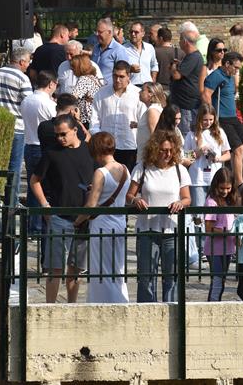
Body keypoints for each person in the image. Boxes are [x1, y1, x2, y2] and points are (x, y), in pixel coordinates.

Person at [29, 114, 94, 303]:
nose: (59, 138)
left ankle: (72, 307)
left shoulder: (89, 151)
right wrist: (45, 206)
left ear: (75, 131)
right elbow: (34, 180)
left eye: (63, 134)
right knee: (54, 268)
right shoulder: (52, 152)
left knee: (75, 269)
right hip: (58, 215)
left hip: (83, 218)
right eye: (57, 134)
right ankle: (50, 307)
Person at [126, 129, 192, 302]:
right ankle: (147, 312)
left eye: (170, 150)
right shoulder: (142, 168)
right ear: (155, 149)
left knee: (172, 277)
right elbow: (129, 195)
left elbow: (187, 198)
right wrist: (136, 200)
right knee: (146, 277)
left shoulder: (179, 170)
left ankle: (172, 311)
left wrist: (180, 203)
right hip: (147, 229)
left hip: (171, 229)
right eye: (163, 150)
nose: (167, 154)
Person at [74, 132, 130, 303]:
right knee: (117, 268)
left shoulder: (101, 172)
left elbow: (91, 205)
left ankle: (102, 303)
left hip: (102, 225)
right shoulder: (125, 169)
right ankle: (120, 302)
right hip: (119, 223)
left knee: (101, 269)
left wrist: (78, 221)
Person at [204, 51, 243, 186]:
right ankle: (239, 184)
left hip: (233, 117)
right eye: (236, 67)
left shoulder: (230, 77)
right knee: (238, 149)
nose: (237, 70)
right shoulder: (216, 76)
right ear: (227, 64)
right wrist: (211, 116)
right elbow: (206, 94)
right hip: (222, 118)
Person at [0, 47, 32, 201]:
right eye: (28, 62)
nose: (29, 65)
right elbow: (29, 103)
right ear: (21, 62)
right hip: (16, 127)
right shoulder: (22, 78)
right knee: (14, 167)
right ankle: (11, 203)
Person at [90, 61, 146, 171]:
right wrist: (99, 139)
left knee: (127, 178)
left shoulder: (137, 94)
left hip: (129, 146)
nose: (117, 80)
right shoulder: (101, 93)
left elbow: (143, 121)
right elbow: (94, 119)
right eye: (115, 76)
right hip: (106, 147)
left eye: (121, 76)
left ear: (128, 76)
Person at [20, 71, 57, 237]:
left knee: (32, 186)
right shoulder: (48, 103)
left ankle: (32, 225)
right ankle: (37, 226)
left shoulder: (27, 100)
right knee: (42, 188)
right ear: (51, 84)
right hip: (41, 147)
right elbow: (56, 123)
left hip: (29, 145)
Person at [184, 103, 231, 207]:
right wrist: (198, 152)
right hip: (197, 179)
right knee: (199, 210)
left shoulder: (219, 132)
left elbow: (227, 154)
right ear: (199, 118)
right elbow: (185, 159)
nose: (208, 123)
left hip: (215, 177)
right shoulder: (191, 134)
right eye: (205, 120)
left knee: (214, 210)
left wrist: (218, 158)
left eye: (211, 119)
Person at [202, 167, 238, 301]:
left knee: (221, 280)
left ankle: (216, 303)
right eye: (222, 188)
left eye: (228, 188)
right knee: (217, 281)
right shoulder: (211, 202)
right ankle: (212, 304)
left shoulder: (229, 200)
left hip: (227, 248)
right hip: (215, 249)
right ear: (216, 185)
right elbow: (209, 228)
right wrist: (227, 232)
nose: (225, 191)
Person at [170, 26, 203, 136]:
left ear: (185, 42)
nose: (179, 42)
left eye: (180, 39)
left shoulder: (193, 57)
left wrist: (173, 66)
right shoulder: (190, 57)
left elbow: (177, 75)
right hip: (184, 103)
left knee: (185, 135)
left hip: (187, 105)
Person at [91, 18, 131, 86]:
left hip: (110, 90)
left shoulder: (119, 50)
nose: (97, 34)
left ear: (109, 32)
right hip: (94, 89)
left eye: (100, 32)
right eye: (96, 31)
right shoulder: (95, 48)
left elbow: (123, 73)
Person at [69, 54, 104, 130]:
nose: (71, 69)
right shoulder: (94, 78)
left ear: (80, 67)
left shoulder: (84, 79)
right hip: (95, 117)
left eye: (73, 66)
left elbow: (72, 98)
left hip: (86, 119)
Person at [135, 82, 167, 159]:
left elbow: (155, 135)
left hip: (149, 157)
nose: (139, 92)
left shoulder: (152, 110)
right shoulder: (154, 109)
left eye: (142, 90)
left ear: (150, 93)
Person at [123, 21, 159, 87]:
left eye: (136, 32)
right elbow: (119, 68)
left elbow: (154, 65)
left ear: (143, 34)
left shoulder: (149, 48)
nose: (133, 34)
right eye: (131, 32)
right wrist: (130, 69)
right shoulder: (123, 49)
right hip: (132, 86)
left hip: (147, 86)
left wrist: (153, 80)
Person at [153, 27, 180, 94]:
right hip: (175, 88)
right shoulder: (181, 52)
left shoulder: (154, 51)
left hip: (158, 88)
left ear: (160, 38)